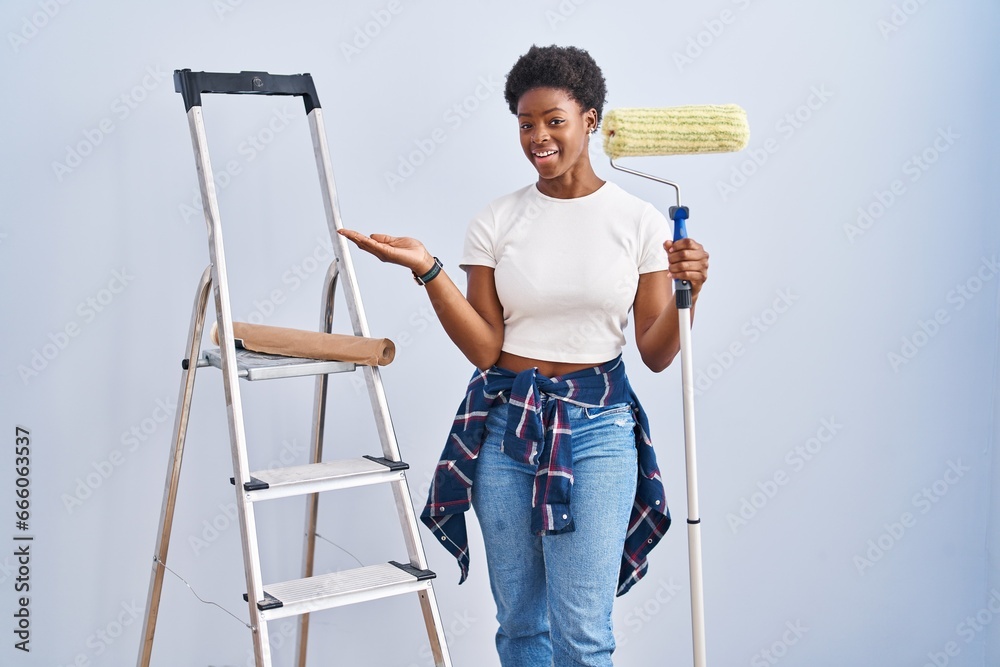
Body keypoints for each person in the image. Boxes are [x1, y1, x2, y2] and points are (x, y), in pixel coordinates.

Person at [340, 44, 709, 667]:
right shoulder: (496, 220)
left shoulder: (640, 221)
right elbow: (485, 348)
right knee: (518, 625)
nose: (537, 136)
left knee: (583, 631)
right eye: (525, 123)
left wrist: (687, 294)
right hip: (505, 428)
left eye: (553, 120)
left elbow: (655, 352)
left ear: (591, 119)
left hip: (598, 432)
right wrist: (428, 269)